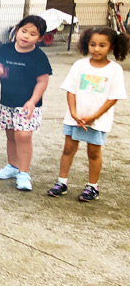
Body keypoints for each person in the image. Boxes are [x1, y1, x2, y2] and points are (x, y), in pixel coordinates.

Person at [47, 27, 128, 201]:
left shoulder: (115, 70)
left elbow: (113, 98)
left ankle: (92, 186)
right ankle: (61, 182)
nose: (96, 49)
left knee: (93, 152)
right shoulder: (79, 65)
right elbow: (70, 90)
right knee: (68, 148)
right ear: (86, 44)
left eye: (102, 45)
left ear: (111, 46)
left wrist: (94, 117)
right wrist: (74, 113)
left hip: (97, 121)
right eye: (92, 44)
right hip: (74, 118)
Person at [0, 16, 53, 191]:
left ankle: (24, 174)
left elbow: (42, 81)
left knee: (23, 136)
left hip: (27, 104)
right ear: (17, 31)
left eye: (32, 34)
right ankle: (12, 166)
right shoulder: (4, 49)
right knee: (11, 135)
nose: (26, 36)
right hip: (7, 102)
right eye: (24, 31)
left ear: (39, 39)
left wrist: (33, 101)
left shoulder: (39, 57)